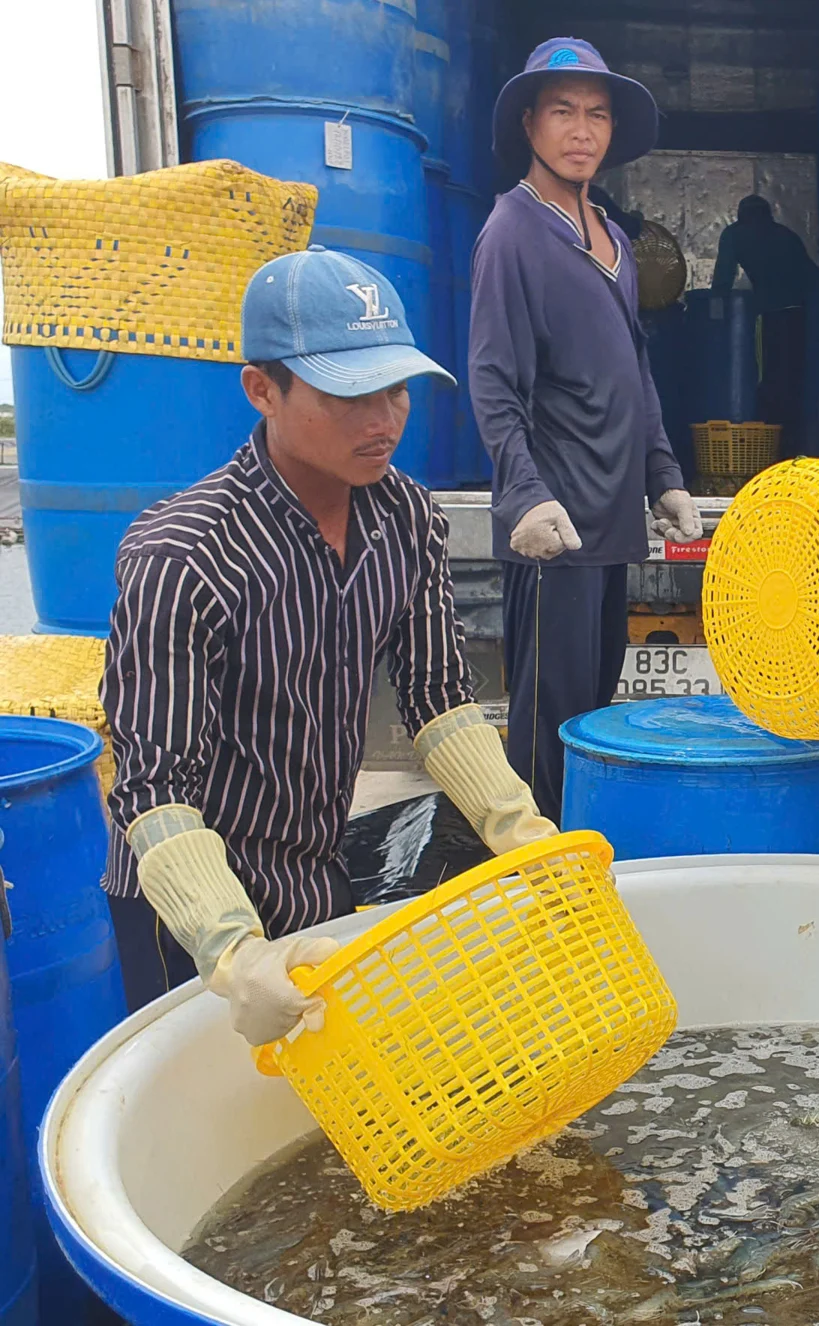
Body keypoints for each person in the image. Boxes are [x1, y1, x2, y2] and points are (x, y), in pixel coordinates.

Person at [100, 247, 557, 1046]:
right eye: (348, 394)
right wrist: (233, 954)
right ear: (261, 389)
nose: (382, 421)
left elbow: (436, 694)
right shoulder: (183, 555)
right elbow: (153, 787)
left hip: (312, 869)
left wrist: (520, 831)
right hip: (186, 906)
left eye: (396, 390)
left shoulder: (405, 519)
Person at [471, 37, 702, 820]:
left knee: (596, 710)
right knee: (547, 719)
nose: (582, 129)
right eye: (563, 111)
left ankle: (586, 850)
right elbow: (493, 379)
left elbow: (634, 369)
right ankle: (535, 879)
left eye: (597, 114)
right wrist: (523, 496)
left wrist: (663, 475)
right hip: (555, 528)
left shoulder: (611, 238)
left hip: (611, 522)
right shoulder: (511, 233)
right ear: (530, 123)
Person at [713, 195, 819, 453]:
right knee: (794, 380)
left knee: (766, 377)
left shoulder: (736, 234)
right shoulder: (786, 235)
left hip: (769, 314)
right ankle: (794, 445)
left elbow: (723, 279)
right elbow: (813, 277)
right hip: (800, 315)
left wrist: (714, 316)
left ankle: (769, 445)